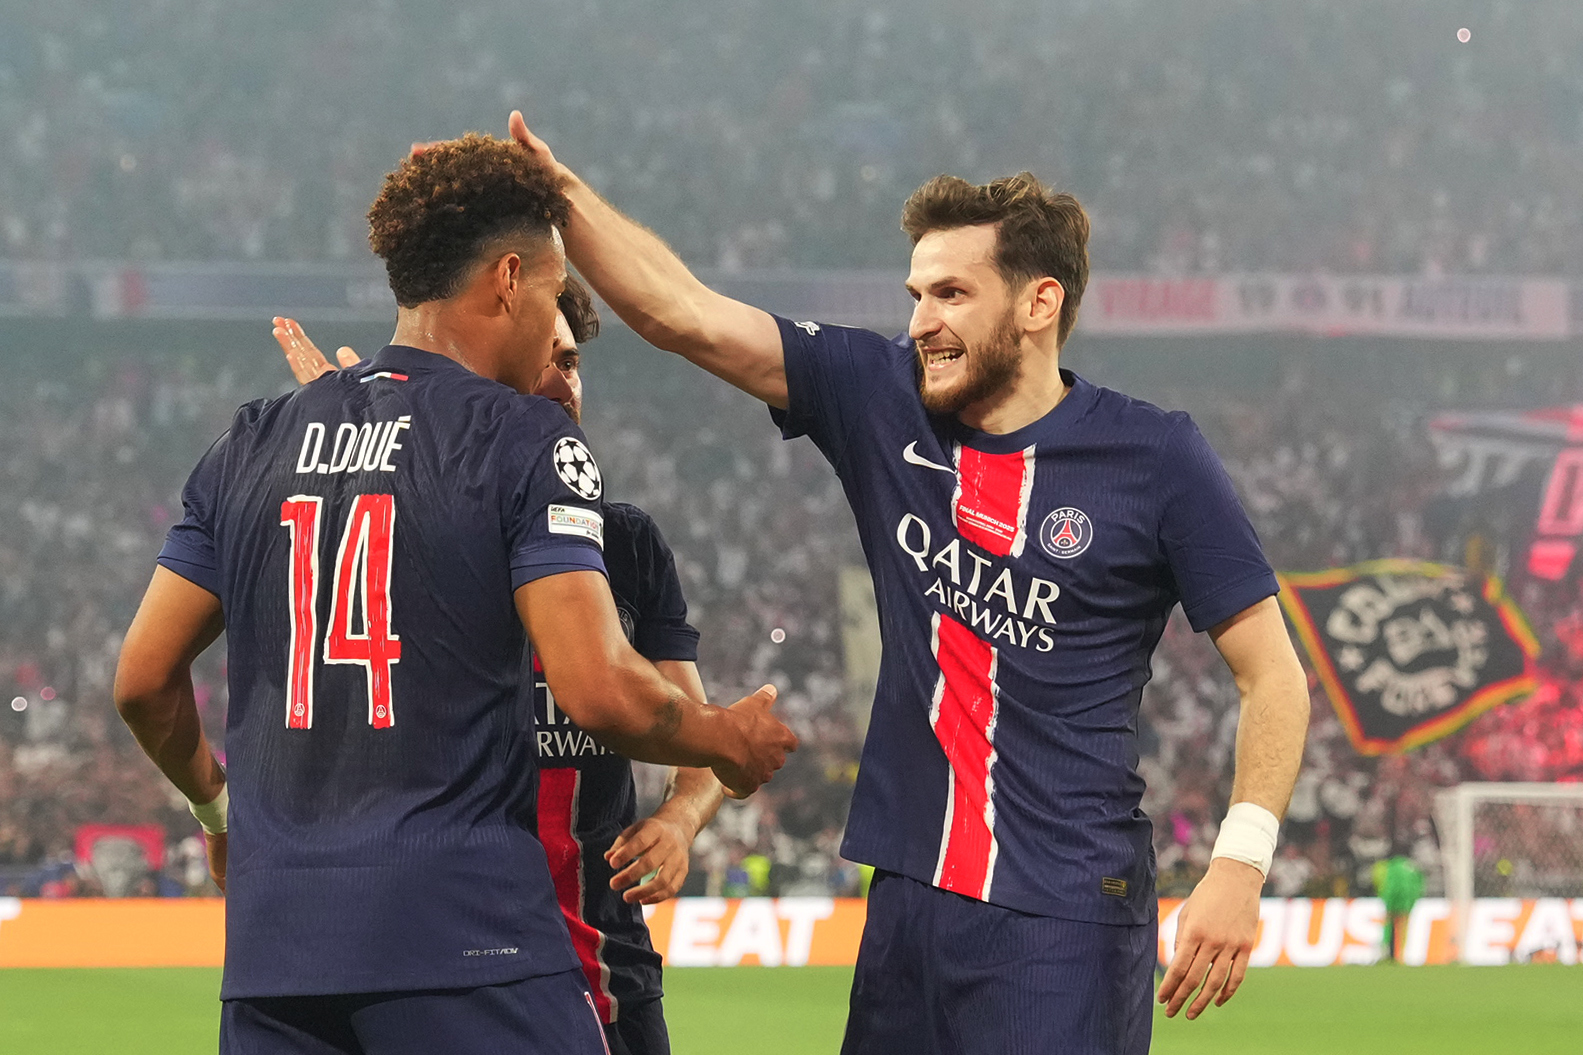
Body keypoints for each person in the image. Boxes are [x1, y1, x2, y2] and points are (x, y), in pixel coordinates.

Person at [500, 111, 1311, 1054]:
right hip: (907, 901)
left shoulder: (1155, 455)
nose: (921, 320)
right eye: (916, 293)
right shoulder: (877, 396)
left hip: (1062, 912)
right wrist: (554, 192)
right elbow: (678, 311)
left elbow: (1272, 675)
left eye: (953, 293)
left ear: (1038, 302)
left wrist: (1240, 865)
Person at [113, 133, 796, 1055]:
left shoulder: (252, 440)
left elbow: (143, 680)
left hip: (277, 958)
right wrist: (726, 738)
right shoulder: (524, 441)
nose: (558, 326)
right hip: (467, 945)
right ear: (509, 278)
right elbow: (596, 687)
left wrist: (218, 812)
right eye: (554, 292)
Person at [272, 276, 722, 1055]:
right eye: (539, 360)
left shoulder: (628, 545)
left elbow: (702, 741)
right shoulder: (416, 529)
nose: (561, 382)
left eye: (572, 362)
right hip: (452, 970)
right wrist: (367, 467)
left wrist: (680, 819)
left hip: (607, 966)